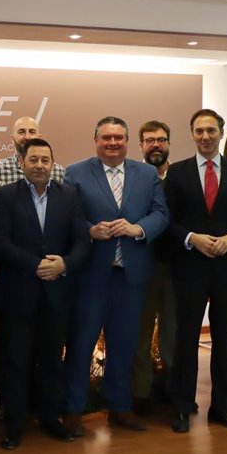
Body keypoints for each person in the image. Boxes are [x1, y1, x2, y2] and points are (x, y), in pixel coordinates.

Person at [62, 117, 169, 434]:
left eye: (119, 137)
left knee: (124, 345)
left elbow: (161, 213)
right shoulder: (76, 172)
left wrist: (139, 229)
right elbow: (65, 217)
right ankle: (73, 410)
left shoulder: (146, 173)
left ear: (127, 141)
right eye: (106, 137)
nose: (113, 142)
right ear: (96, 140)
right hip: (91, 276)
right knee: (81, 345)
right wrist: (89, 230)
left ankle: (119, 408)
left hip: (130, 276)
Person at [0, 138, 90, 448]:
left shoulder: (69, 195)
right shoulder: (5, 196)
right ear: (22, 163)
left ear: (52, 164)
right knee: (15, 361)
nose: (39, 165)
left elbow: (82, 242)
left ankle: (49, 417)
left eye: (45, 160)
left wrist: (64, 264)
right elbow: (0, 242)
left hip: (57, 294)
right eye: (33, 159)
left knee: (51, 359)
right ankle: (14, 424)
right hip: (18, 294)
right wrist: (36, 265)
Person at [165, 109, 227, 433]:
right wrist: (192, 238)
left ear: (220, 132)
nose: (205, 136)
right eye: (199, 131)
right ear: (192, 134)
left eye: (211, 130)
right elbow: (168, 221)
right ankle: (181, 406)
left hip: (226, 269)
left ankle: (223, 407)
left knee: (223, 339)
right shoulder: (177, 173)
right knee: (186, 338)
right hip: (189, 268)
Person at [132, 120, 176, 409]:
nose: (155, 145)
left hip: (175, 268)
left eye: (160, 140)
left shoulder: (182, 177)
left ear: (169, 143)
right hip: (142, 266)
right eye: (149, 140)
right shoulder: (134, 178)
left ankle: (175, 394)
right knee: (140, 334)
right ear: (141, 146)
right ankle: (141, 394)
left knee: (173, 335)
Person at [0, 116, 66, 188]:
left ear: (39, 137)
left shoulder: (58, 172)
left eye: (32, 132)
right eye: (21, 132)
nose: (27, 137)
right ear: (12, 139)